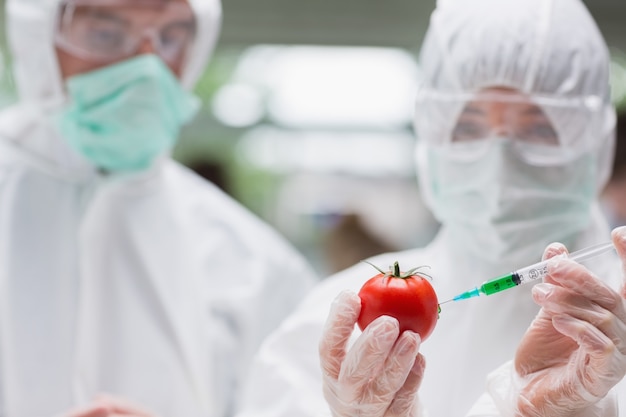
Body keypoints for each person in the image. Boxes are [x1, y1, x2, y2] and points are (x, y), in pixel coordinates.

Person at [234, 0, 626, 415]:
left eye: (541, 127)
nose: (499, 161)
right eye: (468, 125)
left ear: (596, 143)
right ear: (431, 133)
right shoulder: (337, 327)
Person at [0, 0, 316, 416]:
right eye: (105, 34)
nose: (147, 67)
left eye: (171, 37)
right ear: (35, 36)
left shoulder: (256, 266)